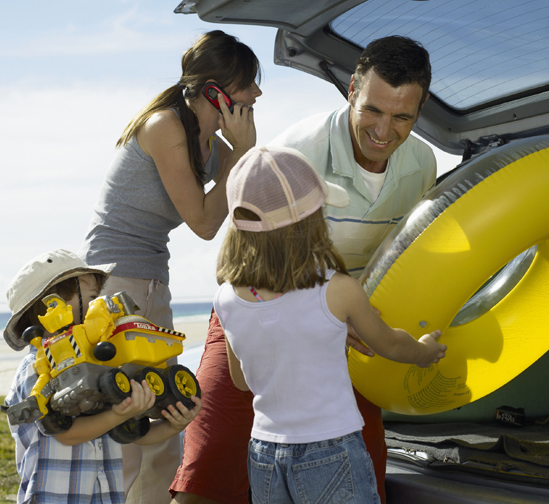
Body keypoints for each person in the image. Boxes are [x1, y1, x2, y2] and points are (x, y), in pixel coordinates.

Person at [171, 36, 436, 504]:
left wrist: (349, 316)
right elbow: (237, 248)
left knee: (364, 461)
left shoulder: (421, 165)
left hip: (340, 311)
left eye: (402, 118)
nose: (383, 130)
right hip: (257, 302)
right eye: (372, 109)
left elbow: (404, 255)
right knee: (209, 468)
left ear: (421, 110)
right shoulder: (296, 152)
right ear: (352, 89)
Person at [80, 30, 261, 504]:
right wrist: (239, 156)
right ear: (216, 91)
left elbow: (238, 205)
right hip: (116, 285)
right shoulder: (164, 126)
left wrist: (241, 158)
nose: (257, 95)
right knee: (127, 429)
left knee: (165, 428)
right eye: (249, 85)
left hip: (152, 284)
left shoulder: (214, 148)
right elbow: (203, 221)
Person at [214, 146, 446, 504]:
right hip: (330, 450)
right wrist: (425, 351)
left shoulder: (226, 299)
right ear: (310, 224)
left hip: (264, 453)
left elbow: (242, 381)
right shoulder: (337, 291)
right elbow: (391, 345)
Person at [3, 249, 203, 504]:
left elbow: (133, 433)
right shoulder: (36, 368)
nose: (99, 304)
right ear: (53, 306)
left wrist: (174, 425)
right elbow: (66, 433)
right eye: (92, 297)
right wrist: (119, 414)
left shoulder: (98, 366)